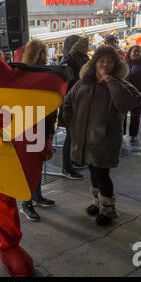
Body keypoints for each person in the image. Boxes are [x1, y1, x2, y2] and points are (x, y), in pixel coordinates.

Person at [63, 45, 141, 226]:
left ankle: (108, 210)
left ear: (115, 65)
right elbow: (68, 101)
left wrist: (110, 81)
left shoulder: (119, 83)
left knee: (102, 174)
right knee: (93, 170)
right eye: (101, 61)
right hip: (85, 139)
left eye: (109, 61)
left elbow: (130, 101)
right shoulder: (84, 82)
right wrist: (70, 121)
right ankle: (97, 202)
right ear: (94, 63)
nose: (105, 64)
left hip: (104, 140)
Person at [19, 39, 57, 221]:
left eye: (44, 53)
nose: (42, 57)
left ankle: (36, 196)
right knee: (30, 169)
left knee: (39, 166)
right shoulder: (23, 75)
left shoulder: (47, 73)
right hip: (28, 128)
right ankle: (26, 203)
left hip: (43, 125)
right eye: (39, 53)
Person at [59, 35, 89, 179]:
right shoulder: (68, 60)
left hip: (80, 101)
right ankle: (67, 167)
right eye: (82, 44)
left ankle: (73, 161)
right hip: (71, 103)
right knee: (71, 135)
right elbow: (68, 83)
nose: (85, 47)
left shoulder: (83, 58)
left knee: (76, 135)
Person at [123, 45, 141, 142]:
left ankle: (133, 135)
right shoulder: (124, 64)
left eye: (139, 52)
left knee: (135, 116)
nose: (137, 53)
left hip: (139, 94)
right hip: (125, 94)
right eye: (135, 51)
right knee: (122, 115)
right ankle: (121, 133)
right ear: (130, 52)